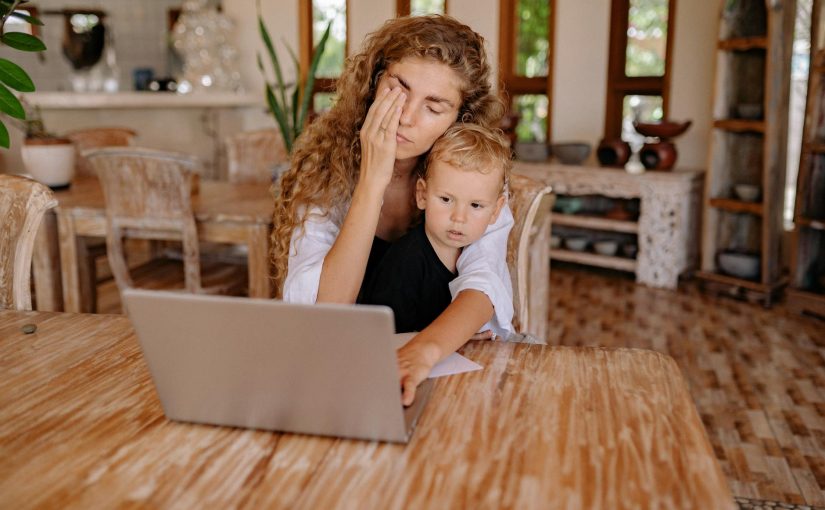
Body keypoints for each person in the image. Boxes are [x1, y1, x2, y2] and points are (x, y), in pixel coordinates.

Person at [271, 15, 513, 406]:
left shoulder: (472, 179)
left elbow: (483, 285)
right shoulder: (321, 173)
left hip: (438, 362)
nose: (405, 117)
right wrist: (373, 178)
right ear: (373, 83)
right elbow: (322, 311)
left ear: (459, 119)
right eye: (398, 90)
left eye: (433, 107)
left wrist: (424, 351)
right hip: (342, 367)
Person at [359, 123, 511, 335]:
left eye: (476, 205)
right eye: (446, 199)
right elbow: (381, 337)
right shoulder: (405, 264)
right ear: (422, 195)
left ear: (495, 211)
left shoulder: (477, 255)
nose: (459, 217)